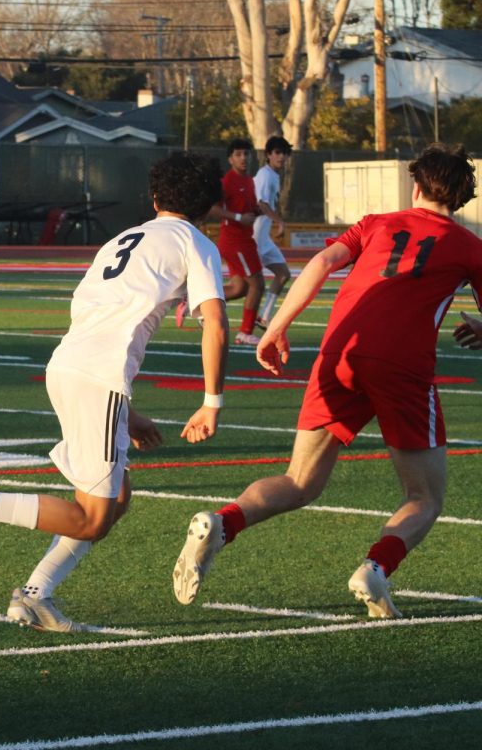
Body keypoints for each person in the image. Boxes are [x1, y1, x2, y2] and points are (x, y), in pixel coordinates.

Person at [0, 152, 230, 632]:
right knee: (92, 519)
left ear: (154, 197)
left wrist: (128, 411)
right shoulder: (195, 242)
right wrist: (211, 403)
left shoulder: (121, 240)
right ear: (210, 205)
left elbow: (96, 318)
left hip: (69, 368)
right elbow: (217, 325)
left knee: (117, 498)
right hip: (95, 378)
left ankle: (35, 595)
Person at [172, 143, 482, 619]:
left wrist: (274, 329)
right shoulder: (468, 246)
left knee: (300, 481)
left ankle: (222, 522)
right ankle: (375, 568)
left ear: (416, 185)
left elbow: (319, 264)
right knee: (425, 496)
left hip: (339, 351)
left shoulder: (377, 222)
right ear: (461, 200)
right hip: (401, 366)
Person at [177, 139, 263, 345]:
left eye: (246, 154)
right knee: (258, 284)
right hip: (234, 241)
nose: (243, 158)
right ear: (230, 159)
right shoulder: (227, 181)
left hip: (245, 239)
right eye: (238, 154)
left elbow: (247, 208)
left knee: (239, 288)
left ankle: (194, 302)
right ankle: (245, 332)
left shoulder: (250, 181)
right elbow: (212, 208)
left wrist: (255, 212)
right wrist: (240, 218)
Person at [252, 136, 293, 328]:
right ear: (268, 155)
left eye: (284, 153)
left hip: (264, 238)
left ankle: (264, 317)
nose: (281, 156)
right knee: (245, 286)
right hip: (253, 237)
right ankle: (193, 305)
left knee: (283, 274)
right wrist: (280, 222)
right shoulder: (264, 175)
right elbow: (261, 203)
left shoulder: (274, 176)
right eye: (277, 152)